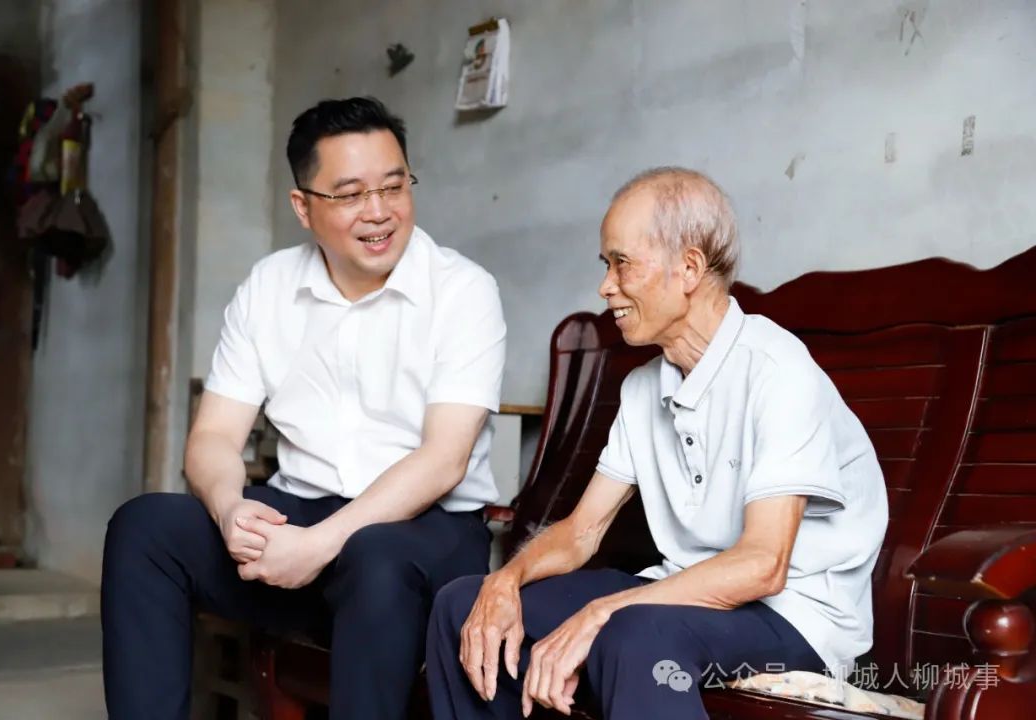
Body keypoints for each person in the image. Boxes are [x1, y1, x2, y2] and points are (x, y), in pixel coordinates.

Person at [426, 167, 889, 720]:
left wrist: (601, 611)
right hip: (674, 594)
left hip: (795, 615)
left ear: (689, 268)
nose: (605, 286)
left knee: (635, 637)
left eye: (622, 263)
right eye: (606, 265)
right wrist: (506, 580)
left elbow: (763, 565)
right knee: (464, 604)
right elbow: (581, 531)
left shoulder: (777, 370)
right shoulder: (644, 387)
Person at [101, 97, 506, 720]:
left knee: (376, 557)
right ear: (303, 206)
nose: (379, 211)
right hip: (302, 517)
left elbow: (444, 460)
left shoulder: (462, 290)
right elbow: (213, 436)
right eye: (350, 194)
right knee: (145, 528)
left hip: (426, 534)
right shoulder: (268, 286)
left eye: (393, 186)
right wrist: (231, 509)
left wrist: (320, 545)